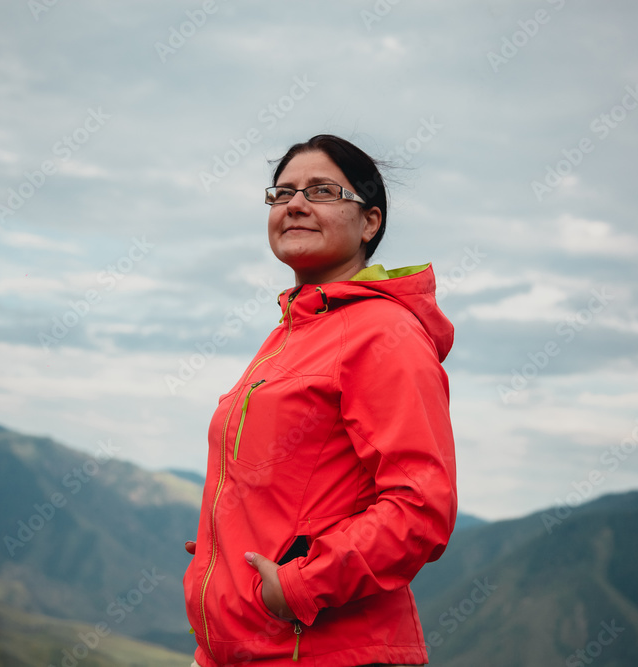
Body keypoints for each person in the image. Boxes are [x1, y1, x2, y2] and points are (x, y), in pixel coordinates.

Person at [183, 134, 457, 666]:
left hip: (326, 652)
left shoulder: (384, 334)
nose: (296, 205)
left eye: (322, 191)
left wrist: (297, 585)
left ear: (369, 222)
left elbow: (420, 508)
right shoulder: (295, 330)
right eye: (282, 193)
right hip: (240, 652)